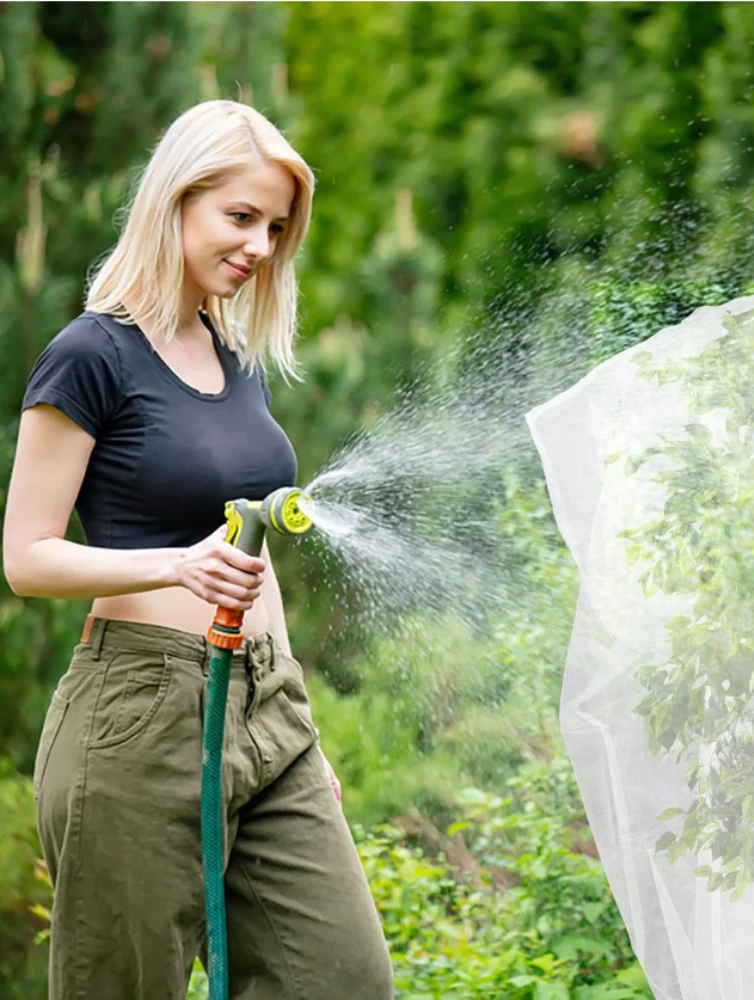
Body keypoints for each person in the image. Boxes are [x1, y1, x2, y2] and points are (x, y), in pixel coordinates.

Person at [2, 100, 394, 1000]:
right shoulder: (89, 356)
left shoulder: (234, 358)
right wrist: (174, 563)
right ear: (176, 202)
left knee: (341, 980)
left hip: (266, 706)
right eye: (242, 217)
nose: (261, 246)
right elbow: (27, 557)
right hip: (138, 714)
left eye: (277, 228)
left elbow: (254, 558)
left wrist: (300, 724)